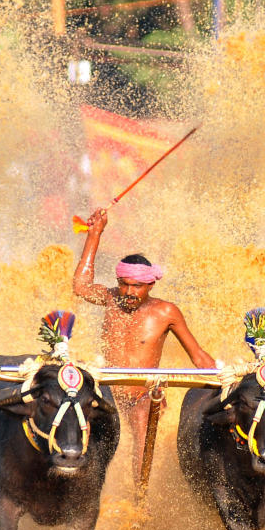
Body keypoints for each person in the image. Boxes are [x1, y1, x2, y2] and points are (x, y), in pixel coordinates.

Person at [72, 207, 215, 484]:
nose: (128, 292)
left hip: (142, 395)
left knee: (142, 421)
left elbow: (198, 356)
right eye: (124, 284)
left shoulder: (166, 312)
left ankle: (138, 502)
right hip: (108, 393)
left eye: (136, 286)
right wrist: (94, 235)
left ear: (150, 285)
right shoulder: (110, 298)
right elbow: (81, 287)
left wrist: (228, 378)